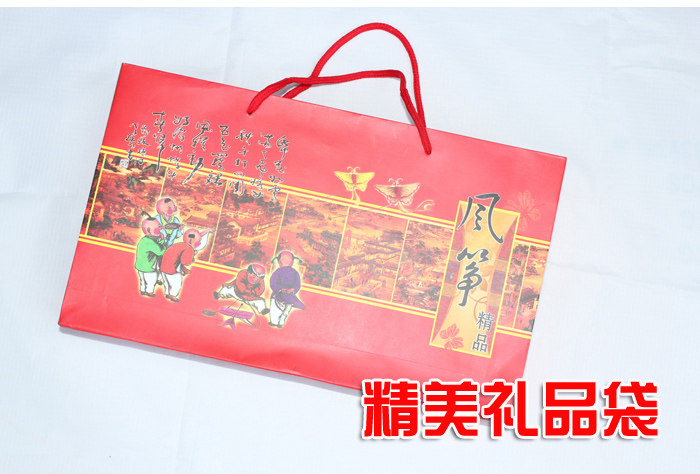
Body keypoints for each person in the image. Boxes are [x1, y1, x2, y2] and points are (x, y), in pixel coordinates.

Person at [268, 251, 305, 328]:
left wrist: (283, 289)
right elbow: (297, 284)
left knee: (276, 310)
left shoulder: (278, 272)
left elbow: (273, 283)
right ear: (292, 263)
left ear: (279, 262)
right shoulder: (295, 272)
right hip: (286, 296)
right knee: (285, 311)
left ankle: (275, 322)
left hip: (281, 296)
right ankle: (279, 323)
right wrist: (292, 289)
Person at [135, 217, 165, 297]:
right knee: (151, 280)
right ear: (149, 230)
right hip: (148, 267)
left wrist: (160, 239)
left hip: (140, 266)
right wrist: (163, 242)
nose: (160, 229)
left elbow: (155, 245)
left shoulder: (144, 240)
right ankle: (149, 292)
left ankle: (142, 290)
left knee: (142, 280)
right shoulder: (150, 243)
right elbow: (160, 251)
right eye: (158, 228)